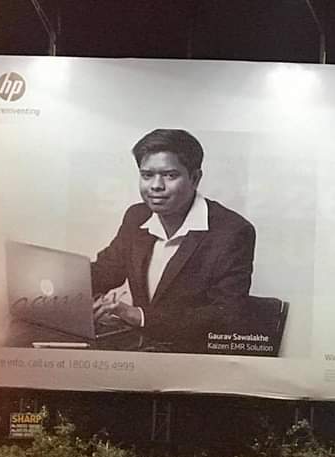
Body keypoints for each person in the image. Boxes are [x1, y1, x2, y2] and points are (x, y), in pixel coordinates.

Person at [91, 129, 255, 346]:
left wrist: (138, 316)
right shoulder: (137, 216)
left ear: (194, 178)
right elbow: (105, 271)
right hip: (140, 350)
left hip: (193, 356)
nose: (156, 186)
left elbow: (225, 315)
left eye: (170, 175)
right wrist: (65, 285)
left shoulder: (233, 232)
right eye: (147, 175)